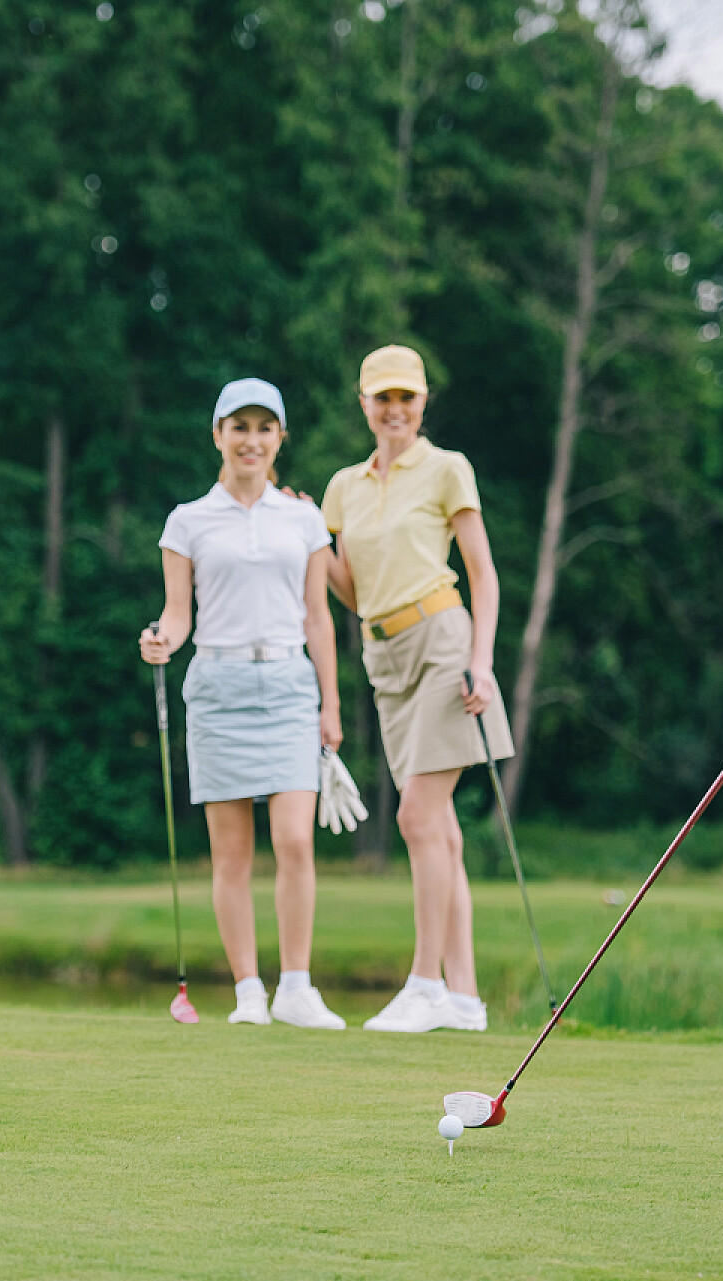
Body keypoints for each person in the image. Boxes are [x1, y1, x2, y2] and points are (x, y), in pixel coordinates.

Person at [139, 378, 348, 1031]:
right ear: (218, 435)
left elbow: (319, 619)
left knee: (293, 839)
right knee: (231, 853)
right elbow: (179, 615)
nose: (251, 439)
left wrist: (331, 704)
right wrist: (159, 639)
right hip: (219, 688)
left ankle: (296, 987)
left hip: (288, 683)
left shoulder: (303, 518)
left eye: (264, 427)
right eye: (239, 427)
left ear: (279, 437)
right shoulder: (188, 520)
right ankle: (249, 991)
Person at [320, 345, 512, 1034]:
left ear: (423, 402)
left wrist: (482, 659)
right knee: (439, 829)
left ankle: (426, 984)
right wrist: (312, 536)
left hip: (443, 643)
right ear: (364, 403)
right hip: (384, 658)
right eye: (383, 398)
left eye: (406, 397)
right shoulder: (342, 485)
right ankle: (464, 997)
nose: (395, 410)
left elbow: (483, 573)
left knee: (414, 818)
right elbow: (348, 588)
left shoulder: (446, 468)